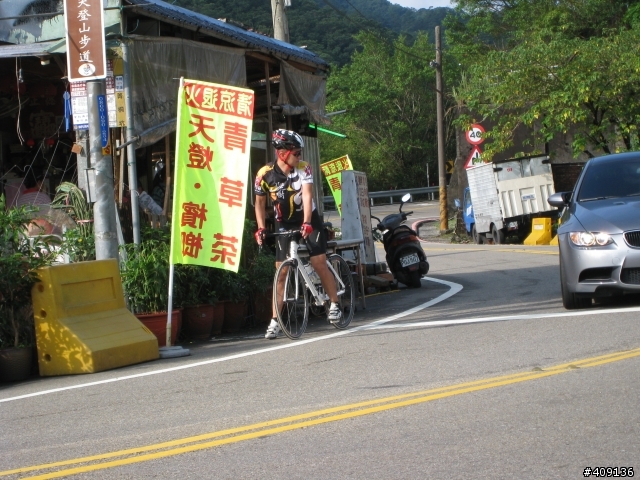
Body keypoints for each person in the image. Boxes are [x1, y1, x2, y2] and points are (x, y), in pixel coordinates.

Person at [254, 129, 342, 339]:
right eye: (296, 153)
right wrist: (261, 227)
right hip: (284, 222)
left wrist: (308, 222)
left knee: (318, 262)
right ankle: (275, 320)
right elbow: (259, 203)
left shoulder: (304, 168)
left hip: (309, 218)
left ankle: (335, 304)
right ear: (282, 153)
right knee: (281, 272)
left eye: (300, 152)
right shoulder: (264, 174)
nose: (299, 156)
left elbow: (308, 195)